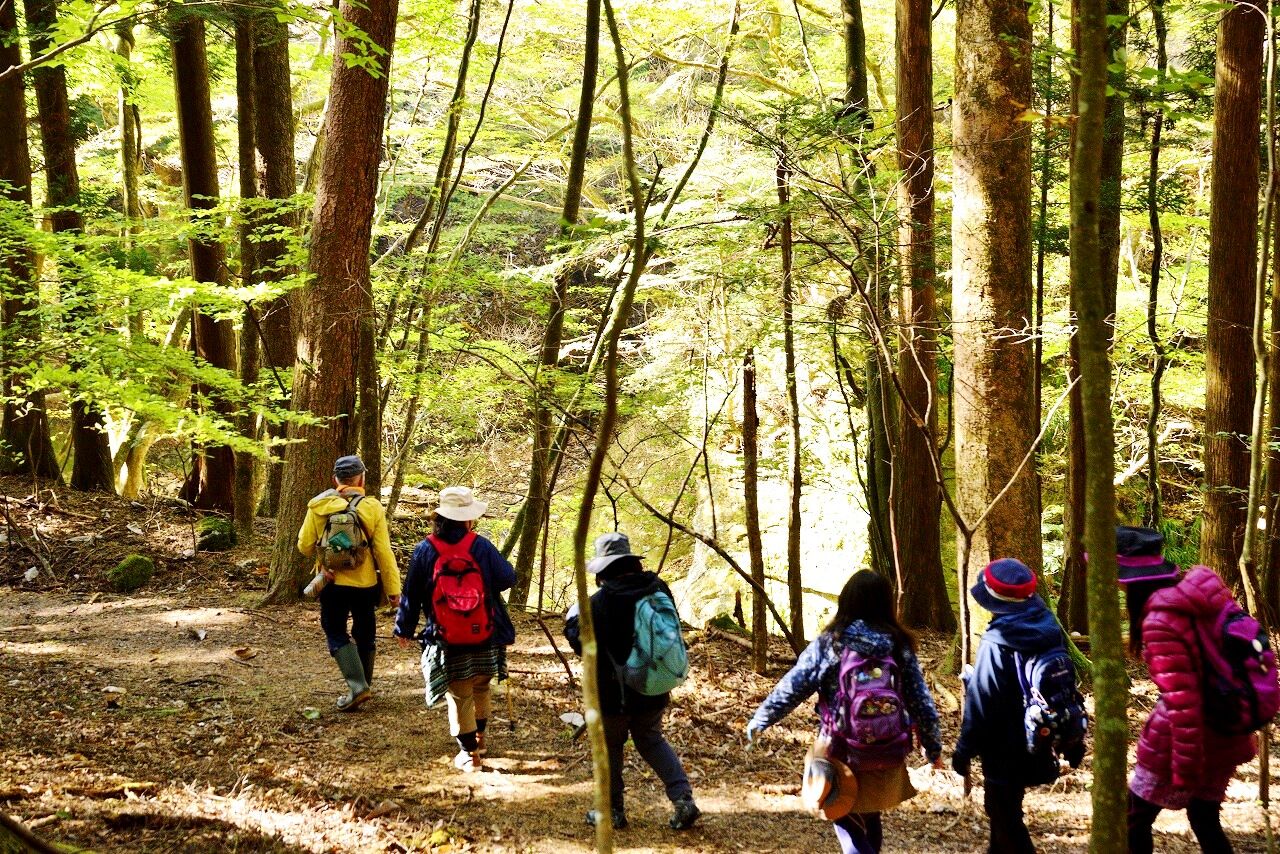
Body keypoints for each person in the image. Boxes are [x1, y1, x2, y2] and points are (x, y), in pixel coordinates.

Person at [747, 570, 944, 854]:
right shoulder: (898, 644)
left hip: (840, 749)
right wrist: (933, 748)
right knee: (869, 813)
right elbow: (921, 701)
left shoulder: (831, 643)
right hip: (887, 748)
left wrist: (761, 720)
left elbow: (793, 687)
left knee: (843, 814)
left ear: (846, 601)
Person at [1117, 526, 1258, 854]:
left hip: (1185, 743)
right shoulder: (1199, 600)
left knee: (1133, 819)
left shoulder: (1160, 621)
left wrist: (1186, 768)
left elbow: (1183, 701)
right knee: (1204, 818)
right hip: (1228, 730)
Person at [564, 532, 700, 831]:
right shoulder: (658, 587)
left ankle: (612, 810)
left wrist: (572, 620)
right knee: (650, 738)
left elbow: (582, 644)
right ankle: (683, 798)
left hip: (614, 693)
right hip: (654, 684)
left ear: (602, 569)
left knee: (610, 746)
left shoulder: (601, 602)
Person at [951, 558, 1083, 854]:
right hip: (1040, 738)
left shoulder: (997, 642)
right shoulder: (1049, 628)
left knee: (1004, 816)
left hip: (1003, 749)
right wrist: (1073, 742)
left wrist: (964, 751)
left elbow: (981, 704)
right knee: (1004, 813)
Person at [394, 486, 515, 772]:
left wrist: (404, 628)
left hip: (446, 638)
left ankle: (469, 755)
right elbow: (507, 577)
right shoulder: (481, 546)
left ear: (439, 518)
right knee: (481, 686)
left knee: (460, 695)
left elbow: (411, 593)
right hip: (486, 632)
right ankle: (479, 741)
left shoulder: (425, 549)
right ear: (468, 518)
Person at [296, 454, 401, 712]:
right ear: (361, 479)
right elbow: (383, 552)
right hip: (366, 584)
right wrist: (393, 590)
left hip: (332, 582)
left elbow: (304, 546)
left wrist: (324, 557)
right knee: (365, 632)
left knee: (334, 630)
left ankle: (357, 686)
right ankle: (363, 685)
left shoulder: (319, 506)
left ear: (336, 479)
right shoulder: (372, 507)